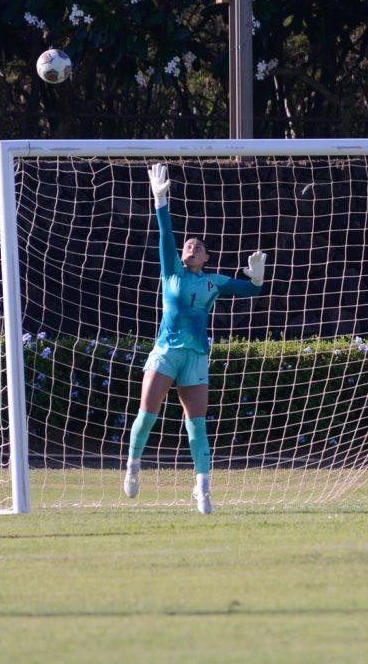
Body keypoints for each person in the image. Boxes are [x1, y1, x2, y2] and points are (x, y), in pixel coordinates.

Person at [124, 163, 267, 513]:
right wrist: (160, 199)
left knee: (196, 425)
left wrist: (258, 277)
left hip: (196, 356)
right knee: (147, 416)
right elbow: (165, 233)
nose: (190, 246)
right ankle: (132, 465)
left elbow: (249, 290)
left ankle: (202, 490)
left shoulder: (213, 282)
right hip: (166, 352)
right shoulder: (171, 270)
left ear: (206, 257)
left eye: (197, 245)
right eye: (188, 244)